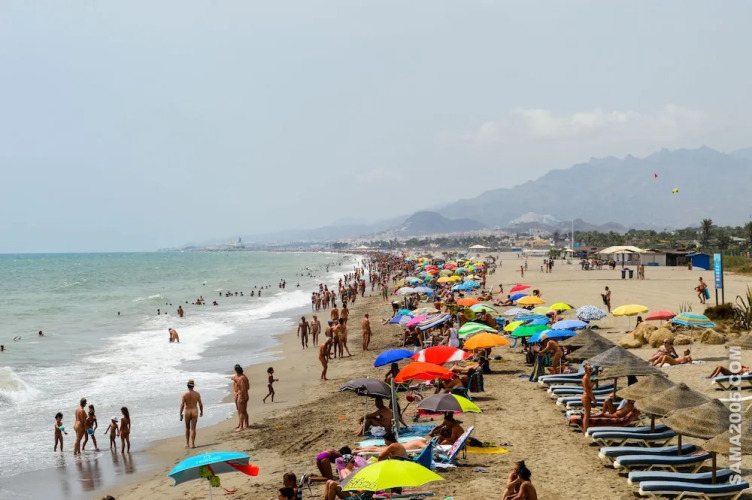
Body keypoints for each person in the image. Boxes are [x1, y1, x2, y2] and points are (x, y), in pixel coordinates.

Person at [180, 379, 203, 448]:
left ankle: (187, 443)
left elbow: (182, 405)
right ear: (193, 386)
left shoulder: (184, 394)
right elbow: (200, 404)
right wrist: (201, 411)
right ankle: (193, 444)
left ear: (187, 386)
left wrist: (180, 413)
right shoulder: (197, 394)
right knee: (193, 428)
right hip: (194, 411)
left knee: (187, 428)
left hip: (187, 411)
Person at [232, 364, 250, 431]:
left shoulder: (241, 378)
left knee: (241, 411)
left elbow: (244, 388)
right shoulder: (238, 377)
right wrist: (235, 392)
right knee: (242, 411)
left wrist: (243, 397)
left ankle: (241, 427)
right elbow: (235, 385)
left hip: (242, 395)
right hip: (239, 395)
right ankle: (243, 424)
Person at [580, 364, 596, 433]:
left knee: (588, 414)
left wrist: (594, 382)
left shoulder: (588, 378)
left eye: (591, 369)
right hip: (586, 397)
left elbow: (590, 388)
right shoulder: (585, 378)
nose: (591, 371)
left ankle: (585, 429)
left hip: (588, 397)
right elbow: (587, 390)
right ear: (586, 370)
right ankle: (585, 430)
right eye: (589, 369)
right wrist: (593, 399)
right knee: (586, 415)